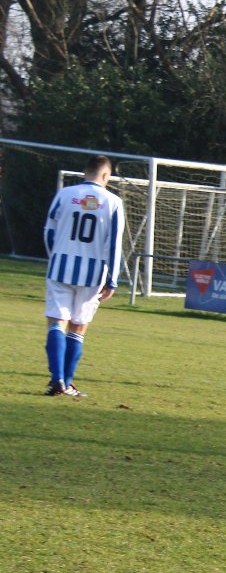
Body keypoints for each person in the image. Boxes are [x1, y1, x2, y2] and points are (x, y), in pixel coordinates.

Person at [43, 154, 124, 397]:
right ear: (106, 175)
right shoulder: (113, 202)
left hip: (60, 266)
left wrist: (55, 256)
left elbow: (49, 231)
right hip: (93, 273)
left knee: (56, 323)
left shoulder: (64, 194)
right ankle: (66, 383)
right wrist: (112, 280)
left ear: (85, 171)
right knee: (77, 328)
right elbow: (115, 245)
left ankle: (57, 380)